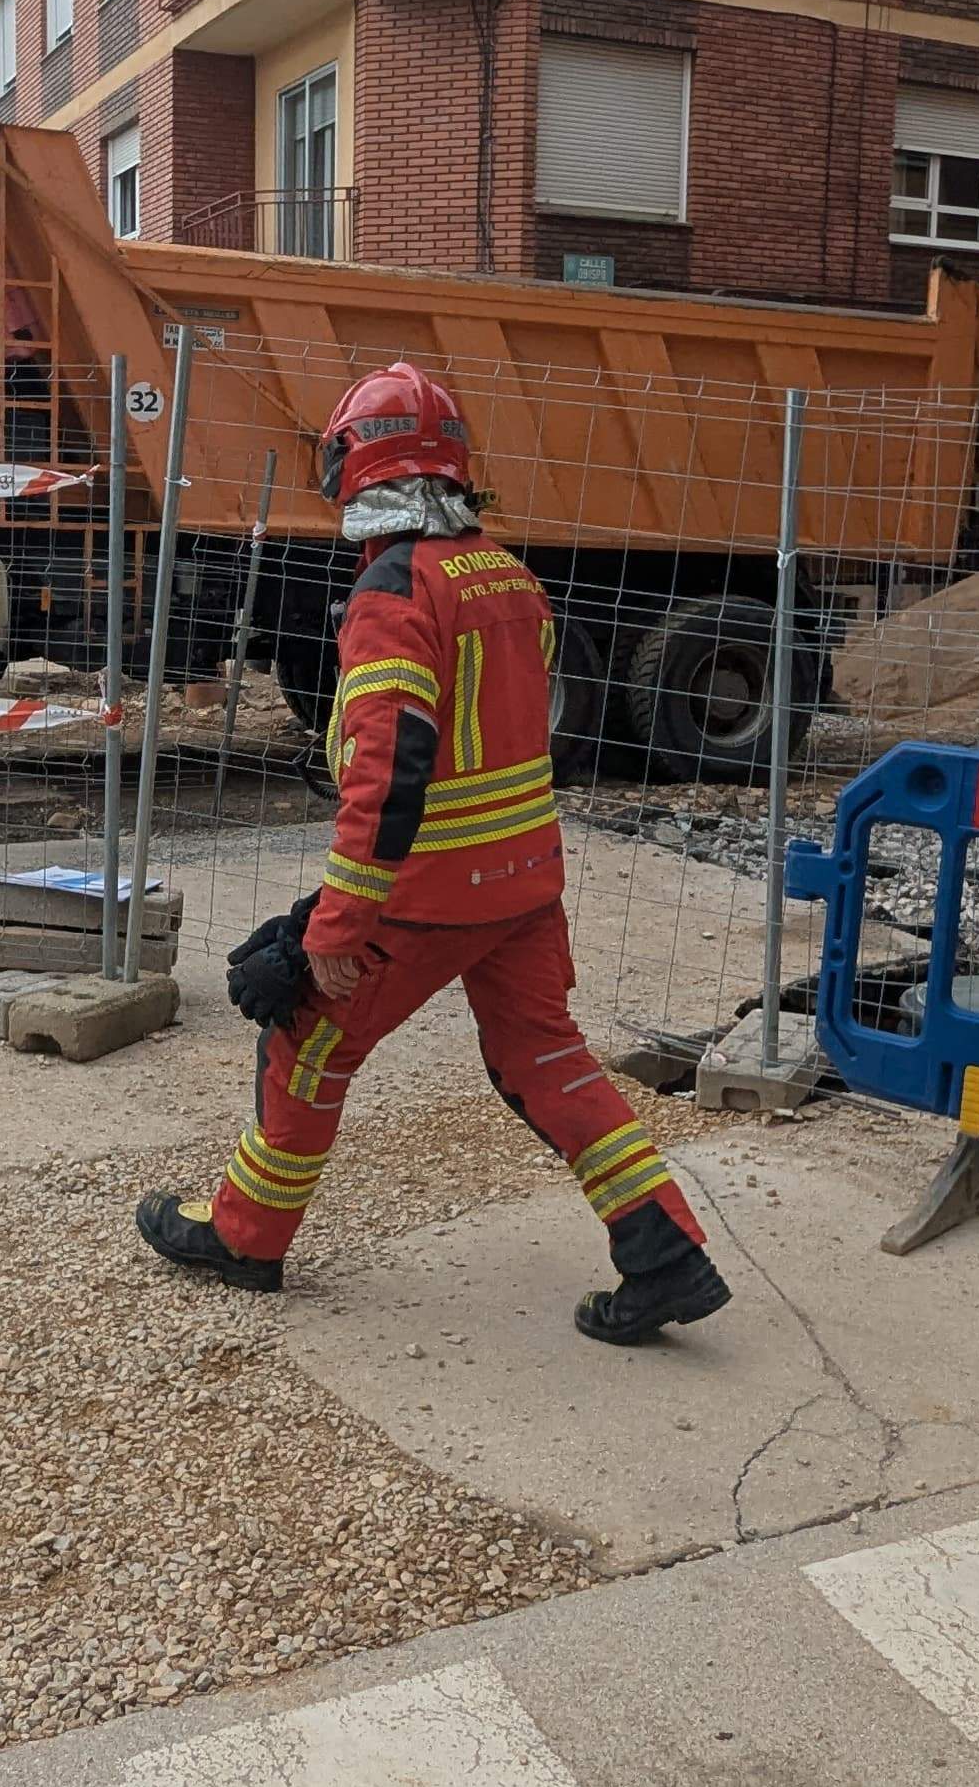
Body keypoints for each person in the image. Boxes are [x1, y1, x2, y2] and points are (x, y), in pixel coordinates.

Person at [134, 364, 729, 1343]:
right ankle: (666, 1250)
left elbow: (391, 767)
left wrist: (335, 927)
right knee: (547, 1059)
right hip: (525, 883)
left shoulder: (393, 592)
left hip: (426, 896)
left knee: (304, 1048)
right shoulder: (508, 573)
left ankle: (245, 1236)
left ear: (353, 472)